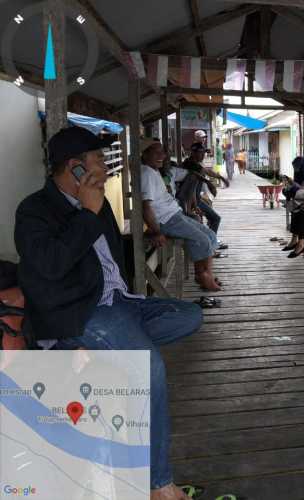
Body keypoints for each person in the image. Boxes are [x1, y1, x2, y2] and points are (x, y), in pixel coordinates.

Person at [14, 126, 203, 500]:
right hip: (80, 312)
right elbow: (51, 265)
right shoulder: (34, 210)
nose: (107, 165)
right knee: (150, 368)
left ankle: (111, 348)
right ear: (76, 167)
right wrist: (86, 213)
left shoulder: (98, 202)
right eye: (100, 159)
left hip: (119, 303)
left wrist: (94, 210)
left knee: (189, 315)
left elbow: (111, 259)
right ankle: (157, 484)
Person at [141, 138, 223, 292]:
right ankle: (203, 276)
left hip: (175, 214)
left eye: (162, 152)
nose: (162, 156)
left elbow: (192, 175)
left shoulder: (153, 170)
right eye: (156, 152)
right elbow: (146, 207)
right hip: (167, 220)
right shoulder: (145, 173)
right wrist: (157, 231)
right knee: (203, 239)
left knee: (210, 235)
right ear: (145, 155)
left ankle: (205, 274)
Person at [181, 142, 229, 249]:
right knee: (215, 218)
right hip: (188, 201)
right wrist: (218, 179)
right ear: (193, 153)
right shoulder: (190, 164)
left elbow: (204, 173)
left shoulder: (194, 163)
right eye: (200, 153)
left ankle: (211, 241)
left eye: (203, 153)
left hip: (196, 199)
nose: (203, 155)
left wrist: (219, 178)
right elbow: (205, 173)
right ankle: (210, 244)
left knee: (213, 218)